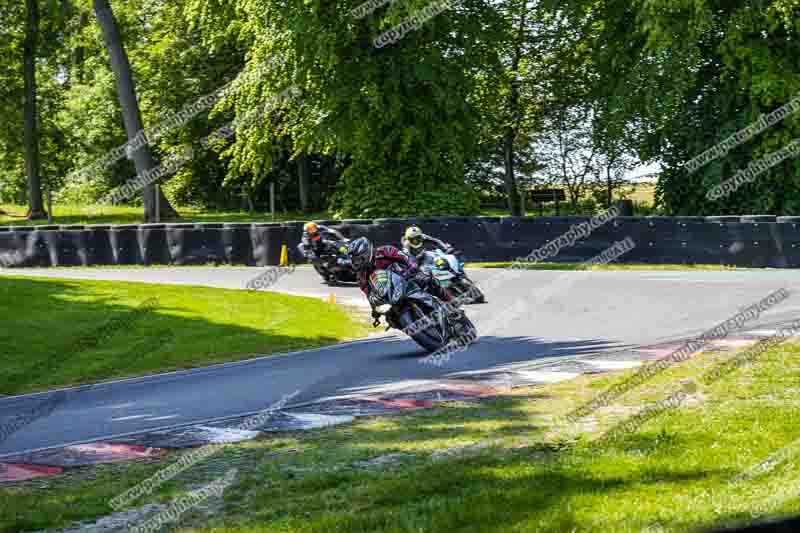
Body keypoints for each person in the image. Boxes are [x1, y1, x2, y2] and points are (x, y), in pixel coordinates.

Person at [346, 237, 452, 322]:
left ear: (366, 253)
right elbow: (369, 295)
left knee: (428, 280)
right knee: (391, 319)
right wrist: (375, 309)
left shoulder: (384, 251)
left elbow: (406, 257)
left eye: (358, 259)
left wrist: (413, 267)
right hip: (390, 295)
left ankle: (451, 303)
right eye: (354, 261)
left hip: (407, 277)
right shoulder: (361, 276)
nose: (356, 263)